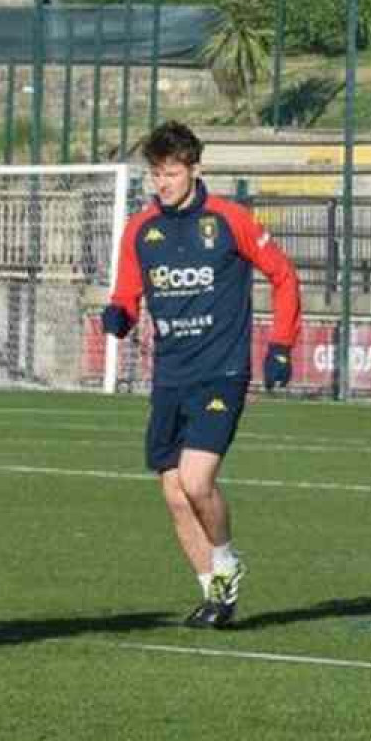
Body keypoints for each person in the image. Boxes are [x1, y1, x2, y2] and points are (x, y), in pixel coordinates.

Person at [100, 120, 301, 629]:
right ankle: (216, 596)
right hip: (169, 376)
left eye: (171, 172)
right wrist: (119, 314)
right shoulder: (140, 231)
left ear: (195, 170)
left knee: (195, 481)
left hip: (221, 371)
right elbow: (127, 292)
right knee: (172, 493)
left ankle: (227, 561)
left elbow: (283, 274)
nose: (162, 183)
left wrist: (280, 344)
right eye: (155, 174)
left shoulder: (230, 220)